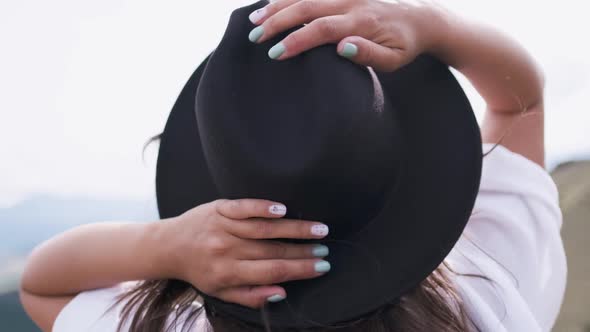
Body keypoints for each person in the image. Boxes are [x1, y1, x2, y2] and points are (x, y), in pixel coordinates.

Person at [19, 0, 566, 331]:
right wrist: (429, 23)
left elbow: (41, 282)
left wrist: (167, 247)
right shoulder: (490, 286)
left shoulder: (165, 323)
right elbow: (521, 101)